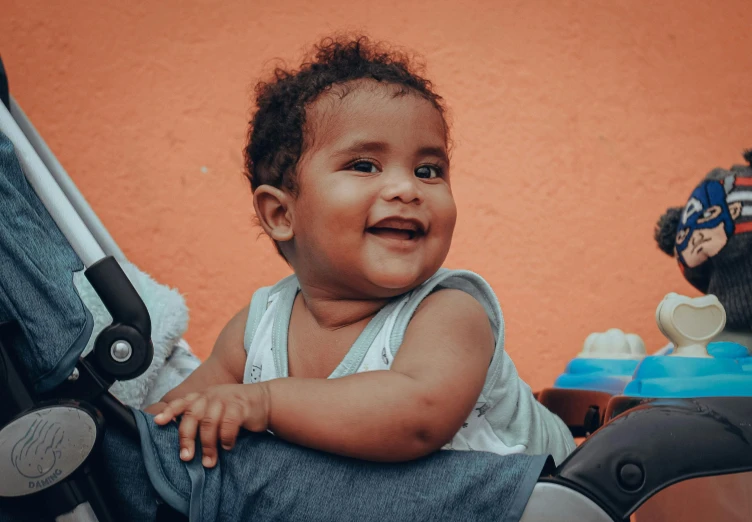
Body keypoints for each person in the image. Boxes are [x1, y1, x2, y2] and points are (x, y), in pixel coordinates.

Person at [149, 34, 575, 470]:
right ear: (280, 213)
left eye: (428, 170)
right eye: (364, 165)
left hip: (550, 500)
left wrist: (265, 402)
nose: (406, 189)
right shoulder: (257, 329)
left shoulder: (449, 312)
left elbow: (418, 419)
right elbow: (165, 423)